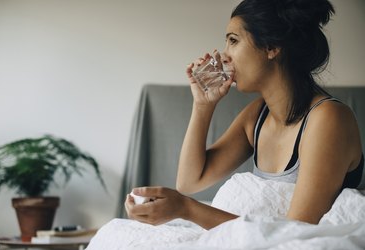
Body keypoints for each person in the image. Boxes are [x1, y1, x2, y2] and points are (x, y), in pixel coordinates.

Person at [125, 0, 364, 230]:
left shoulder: (329, 119)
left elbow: (297, 231)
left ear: (271, 48)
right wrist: (203, 105)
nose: (224, 55)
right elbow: (189, 181)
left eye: (233, 40)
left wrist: (187, 209)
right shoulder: (257, 115)